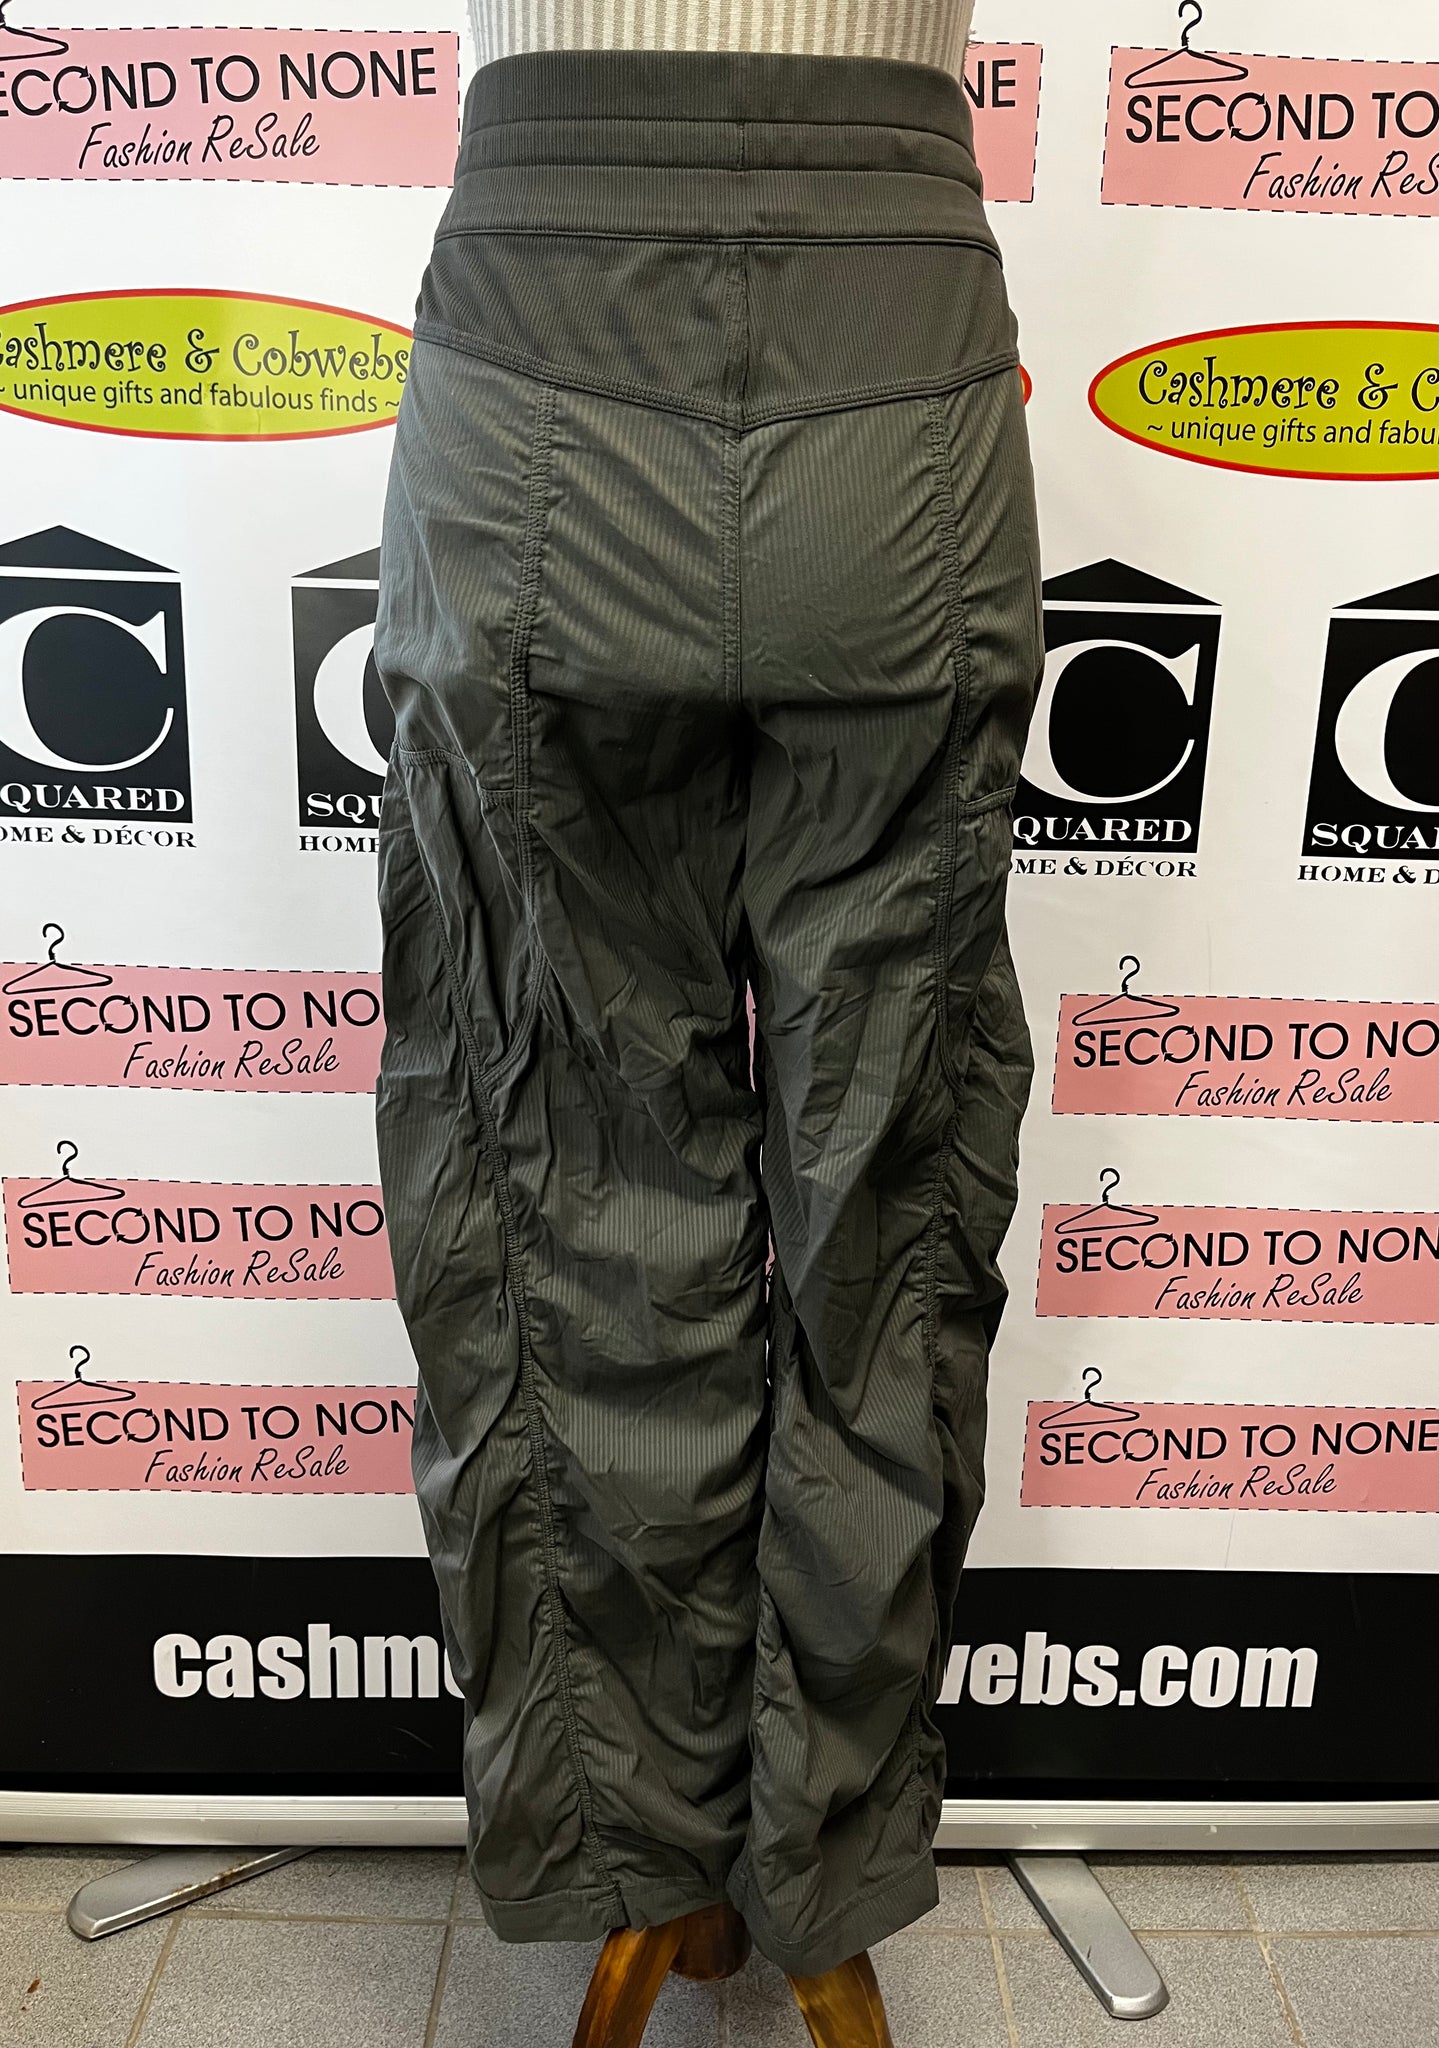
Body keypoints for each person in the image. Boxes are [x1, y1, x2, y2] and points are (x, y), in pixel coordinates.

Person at [372, 6, 1039, 2033]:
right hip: (895, 350)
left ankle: (638, 1855)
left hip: (536, 336)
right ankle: (819, 1860)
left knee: (552, 1174)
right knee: (883, 1218)